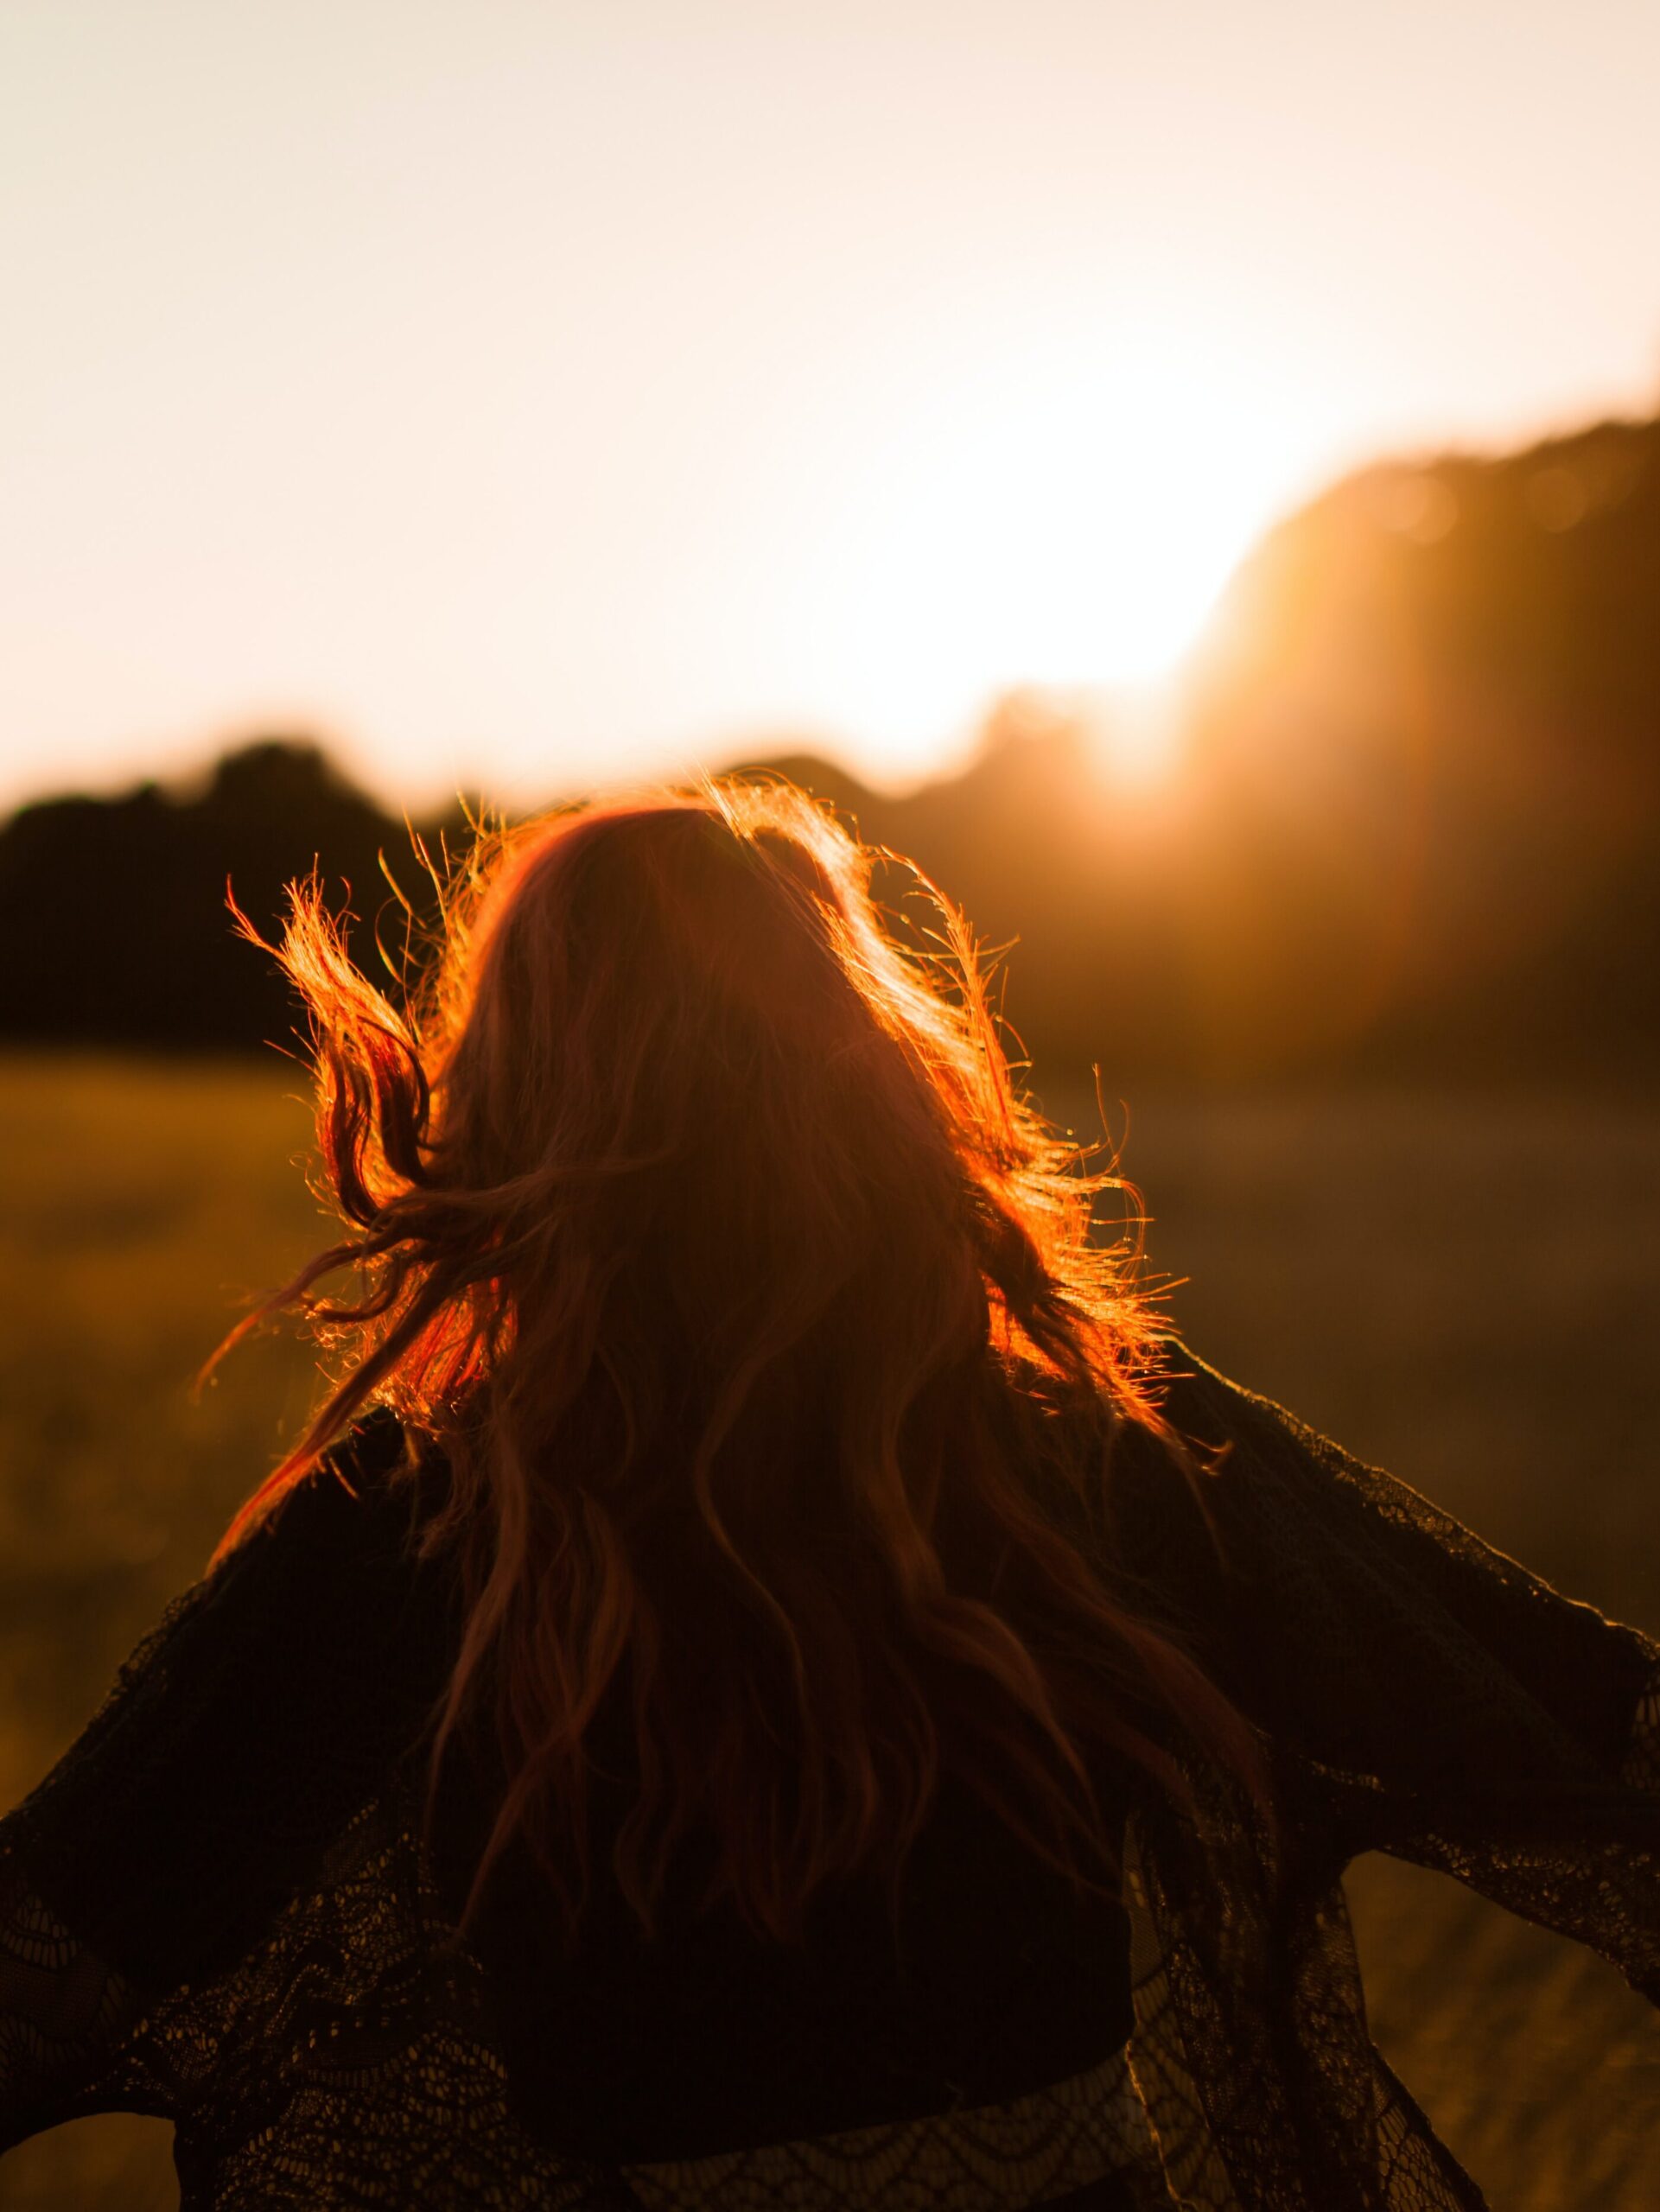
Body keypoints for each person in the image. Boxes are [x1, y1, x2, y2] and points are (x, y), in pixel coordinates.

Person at [0, 779, 1655, 2212]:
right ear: (860, 1071)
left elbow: (53, 1948)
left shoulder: (419, 1521)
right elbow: (1560, 1721)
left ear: (519, 1095)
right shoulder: (1074, 1445)